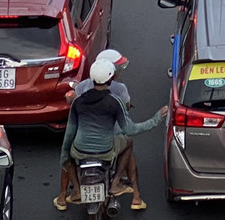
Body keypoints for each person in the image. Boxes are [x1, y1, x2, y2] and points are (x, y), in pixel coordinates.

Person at [55, 58, 167, 211]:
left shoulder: (78, 102)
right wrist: (156, 118)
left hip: (79, 150)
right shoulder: (115, 102)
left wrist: (64, 156)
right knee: (128, 143)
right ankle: (116, 182)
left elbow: (70, 133)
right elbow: (130, 130)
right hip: (106, 151)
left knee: (68, 157)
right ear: (110, 78)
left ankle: (76, 190)